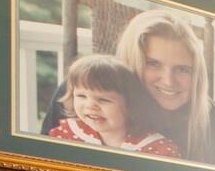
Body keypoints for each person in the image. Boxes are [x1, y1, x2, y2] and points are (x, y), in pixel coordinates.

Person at [42, 9, 215, 170]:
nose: (169, 81)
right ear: (131, 61)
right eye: (153, 64)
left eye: (183, 69)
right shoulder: (82, 95)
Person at [46, 55, 181, 156]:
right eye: (81, 96)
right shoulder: (67, 134)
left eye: (103, 100)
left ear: (130, 104)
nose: (90, 105)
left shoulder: (155, 149)